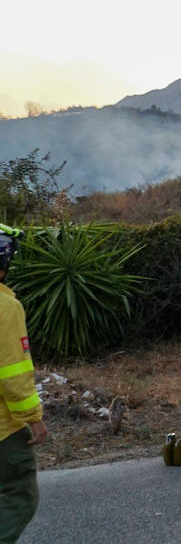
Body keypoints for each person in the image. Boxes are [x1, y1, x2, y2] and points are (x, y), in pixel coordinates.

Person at [0, 224, 48, 543]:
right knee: (20, 497)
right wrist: (34, 419)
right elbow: (12, 375)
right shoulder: (6, 307)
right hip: (4, 429)